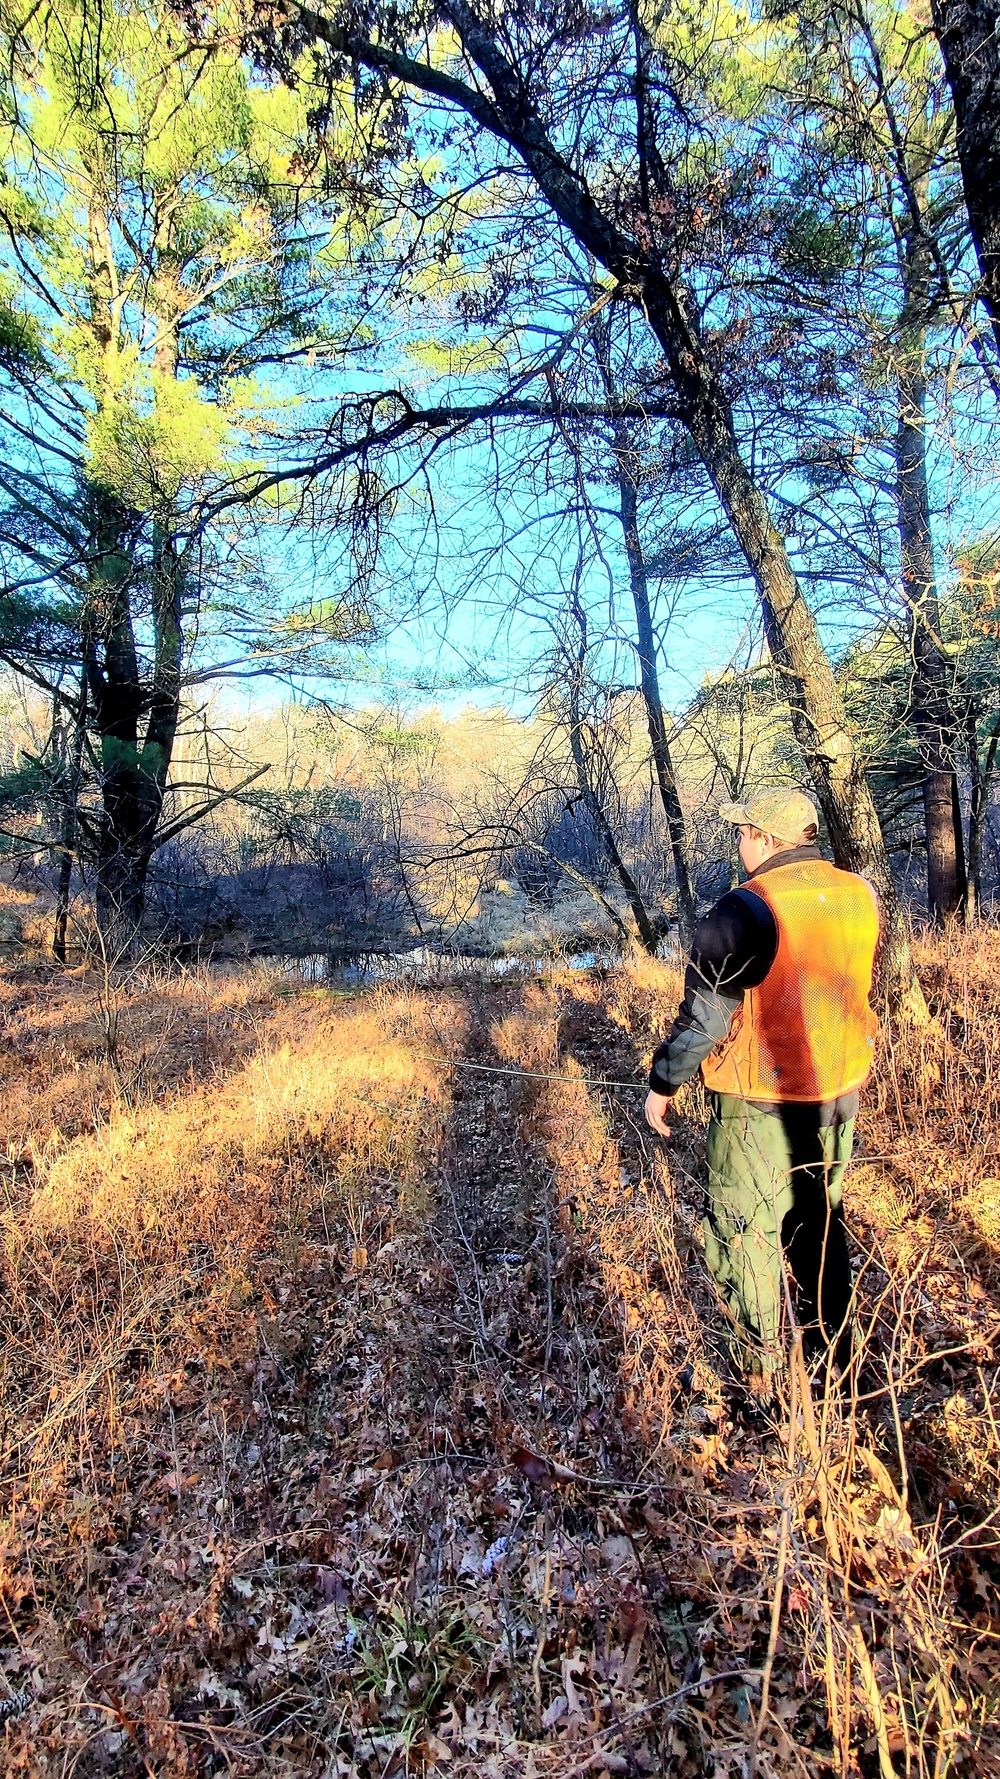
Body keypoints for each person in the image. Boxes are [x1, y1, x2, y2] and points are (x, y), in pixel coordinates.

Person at [644, 787, 880, 1390]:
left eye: (744, 832)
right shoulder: (858, 894)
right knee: (819, 1227)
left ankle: (759, 1384)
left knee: (742, 1236)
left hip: (758, 1106)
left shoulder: (743, 911)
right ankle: (838, 1372)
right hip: (838, 1097)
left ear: (767, 839)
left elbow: (704, 1021)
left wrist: (662, 1083)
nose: (739, 843)